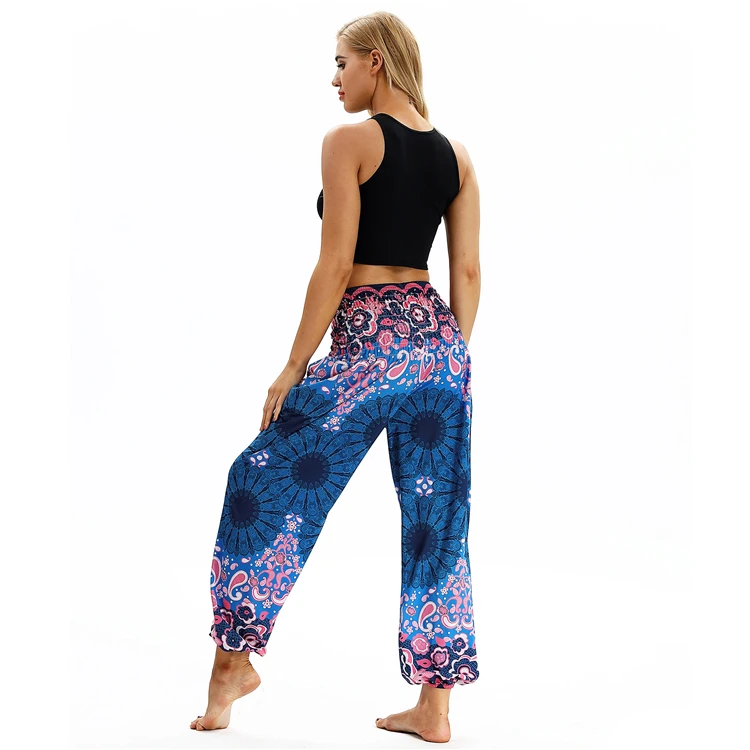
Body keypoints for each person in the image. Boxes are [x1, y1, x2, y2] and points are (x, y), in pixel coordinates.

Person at [191, 10, 481, 744]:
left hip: (368, 345)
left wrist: (293, 365)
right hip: (441, 350)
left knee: (259, 479)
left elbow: (336, 260)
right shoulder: (457, 156)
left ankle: (232, 664)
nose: (335, 79)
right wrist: (447, 362)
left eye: (342, 63)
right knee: (438, 526)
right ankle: (435, 708)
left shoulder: (349, 140)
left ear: (376, 60)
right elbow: (469, 271)